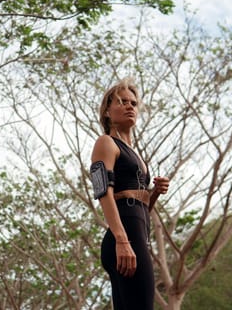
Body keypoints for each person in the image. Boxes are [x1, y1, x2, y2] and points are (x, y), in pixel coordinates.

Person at [90, 79, 169, 310]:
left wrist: (153, 193)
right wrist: (122, 240)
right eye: (122, 102)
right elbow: (102, 190)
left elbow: (140, 209)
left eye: (133, 103)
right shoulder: (106, 142)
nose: (130, 106)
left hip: (136, 233)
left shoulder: (136, 154)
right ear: (107, 110)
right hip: (123, 237)